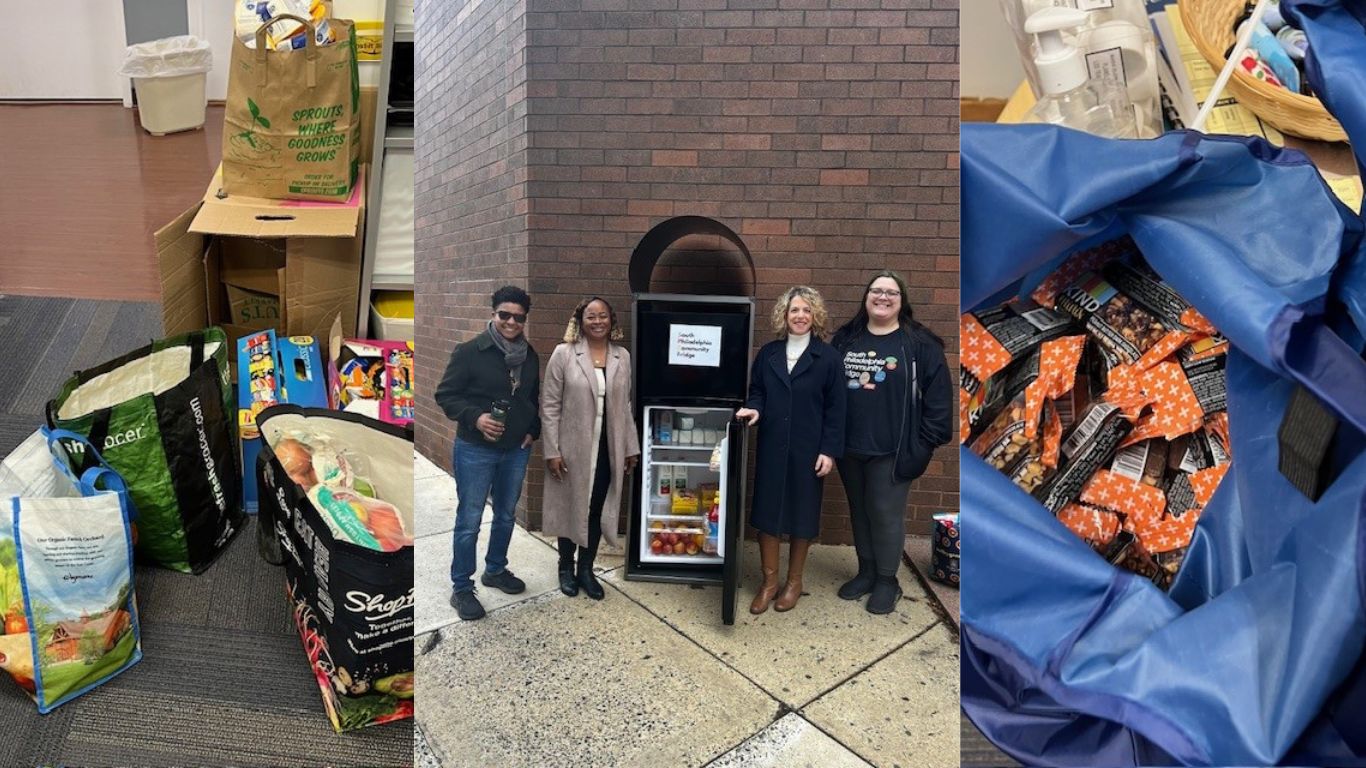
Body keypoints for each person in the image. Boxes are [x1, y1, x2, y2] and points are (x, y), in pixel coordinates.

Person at [831, 270, 952, 615]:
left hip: (893, 450)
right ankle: (866, 572)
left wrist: (924, 445)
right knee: (860, 511)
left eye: (891, 293)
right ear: (866, 297)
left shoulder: (919, 344)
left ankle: (888, 580)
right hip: (850, 448)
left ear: (902, 301)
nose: (883, 297)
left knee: (885, 514)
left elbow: (939, 402)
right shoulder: (846, 339)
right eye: (876, 291)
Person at [735, 286, 846, 614]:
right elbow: (757, 391)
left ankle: (794, 582)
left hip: (808, 449)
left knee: (802, 514)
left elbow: (837, 409)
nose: (800, 316)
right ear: (785, 315)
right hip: (771, 444)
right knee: (768, 514)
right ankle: (769, 582)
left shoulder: (828, 358)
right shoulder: (768, 354)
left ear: (815, 317)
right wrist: (754, 409)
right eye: (794, 310)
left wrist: (829, 450)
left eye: (806, 311)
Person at [435, 286, 542, 621]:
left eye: (518, 317)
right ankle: (462, 588)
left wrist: (532, 430)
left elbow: (533, 400)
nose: (511, 322)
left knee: (507, 515)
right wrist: (476, 417)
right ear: (493, 314)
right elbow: (445, 395)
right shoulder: (469, 352)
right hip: (475, 449)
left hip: (515, 450)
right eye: (504, 315)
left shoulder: (531, 356)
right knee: (469, 521)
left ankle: (495, 569)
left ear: (525, 319)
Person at [540, 298, 640, 600]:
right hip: (571, 449)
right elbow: (550, 405)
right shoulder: (564, 353)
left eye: (603, 316)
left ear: (612, 320)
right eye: (591, 317)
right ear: (580, 321)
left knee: (595, 510)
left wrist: (629, 447)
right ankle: (564, 568)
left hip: (608, 448)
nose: (598, 322)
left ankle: (586, 569)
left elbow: (625, 406)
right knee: (570, 507)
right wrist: (552, 450)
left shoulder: (622, 356)